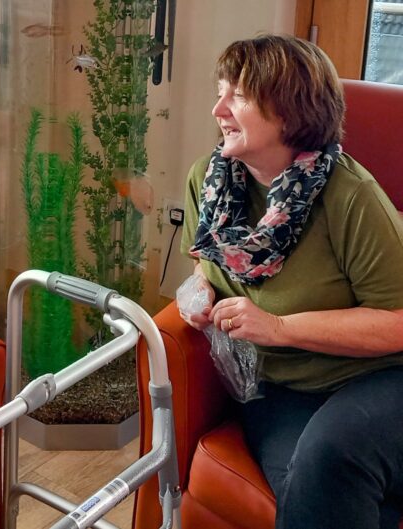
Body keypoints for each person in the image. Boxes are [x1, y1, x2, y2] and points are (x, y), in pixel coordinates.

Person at [179, 35, 403, 529]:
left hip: (383, 377)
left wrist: (278, 327)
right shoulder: (208, 183)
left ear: (289, 109)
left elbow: (399, 323)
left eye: (237, 95)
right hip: (281, 388)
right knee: (309, 489)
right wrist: (198, 292)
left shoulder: (351, 196)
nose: (218, 109)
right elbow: (205, 263)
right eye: (220, 91)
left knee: (330, 455)